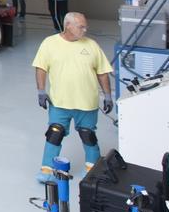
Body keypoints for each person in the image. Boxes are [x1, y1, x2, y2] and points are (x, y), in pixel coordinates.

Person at [33, 12, 113, 178]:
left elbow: (102, 72)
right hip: (60, 102)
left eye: (85, 26)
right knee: (55, 133)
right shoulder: (50, 43)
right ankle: (47, 169)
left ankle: (93, 168)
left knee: (88, 134)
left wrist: (107, 95)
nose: (85, 30)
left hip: (87, 103)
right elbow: (41, 67)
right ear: (68, 25)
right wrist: (41, 91)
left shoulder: (91, 45)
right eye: (81, 26)